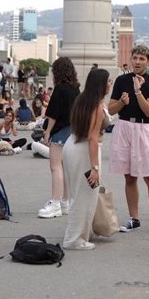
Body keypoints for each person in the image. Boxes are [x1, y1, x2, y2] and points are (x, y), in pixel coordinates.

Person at [108, 45, 149, 234]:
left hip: (143, 128)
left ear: (148, 61)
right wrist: (121, 102)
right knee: (130, 177)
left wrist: (137, 91)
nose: (138, 62)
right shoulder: (120, 80)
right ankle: (134, 218)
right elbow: (110, 110)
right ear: (131, 59)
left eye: (142, 59)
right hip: (124, 127)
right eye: (135, 58)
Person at [62, 68, 111, 250]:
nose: (110, 84)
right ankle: (74, 239)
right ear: (101, 84)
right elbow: (92, 137)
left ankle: (80, 233)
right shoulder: (96, 106)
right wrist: (95, 168)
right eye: (108, 81)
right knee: (84, 196)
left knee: (78, 194)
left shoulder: (82, 100)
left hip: (72, 145)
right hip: (84, 150)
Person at [37, 56, 80, 219]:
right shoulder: (75, 88)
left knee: (55, 166)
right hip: (73, 131)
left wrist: (47, 131)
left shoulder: (60, 89)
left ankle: (55, 202)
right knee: (66, 168)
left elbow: (53, 114)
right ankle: (65, 201)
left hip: (60, 131)